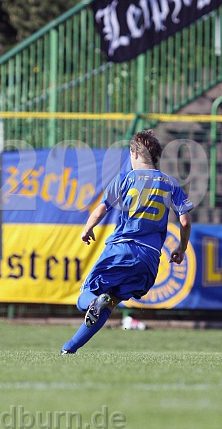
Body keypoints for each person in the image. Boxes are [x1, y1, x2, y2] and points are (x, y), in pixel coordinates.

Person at [61, 130, 193, 354]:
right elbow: (185, 220)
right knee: (109, 302)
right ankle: (69, 349)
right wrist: (181, 247)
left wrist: (87, 228)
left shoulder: (125, 179)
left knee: (87, 295)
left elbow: (101, 209)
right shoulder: (170, 183)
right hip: (149, 259)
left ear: (135, 154)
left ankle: (92, 303)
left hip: (122, 248)